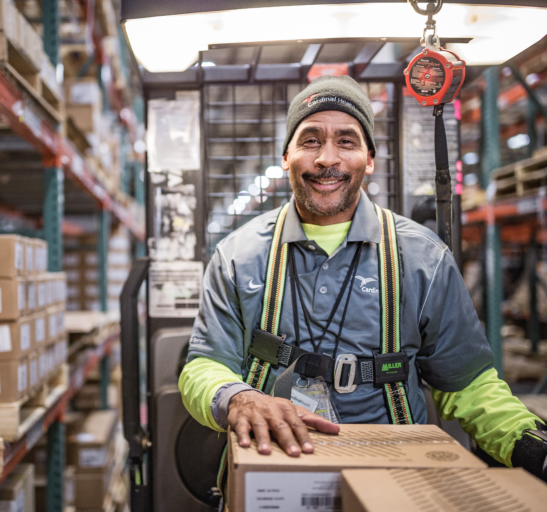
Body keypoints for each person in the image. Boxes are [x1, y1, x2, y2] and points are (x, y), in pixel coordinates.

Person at [179, 75, 547, 481]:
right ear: (287, 156)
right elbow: (204, 366)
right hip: (276, 466)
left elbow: (468, 383)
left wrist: (527, 442)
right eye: (311, 140)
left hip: (396, 475)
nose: (327, 159)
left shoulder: (422, 258)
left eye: (347, 142)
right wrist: (238, 398)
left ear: (369, 159)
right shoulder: (238, 256)